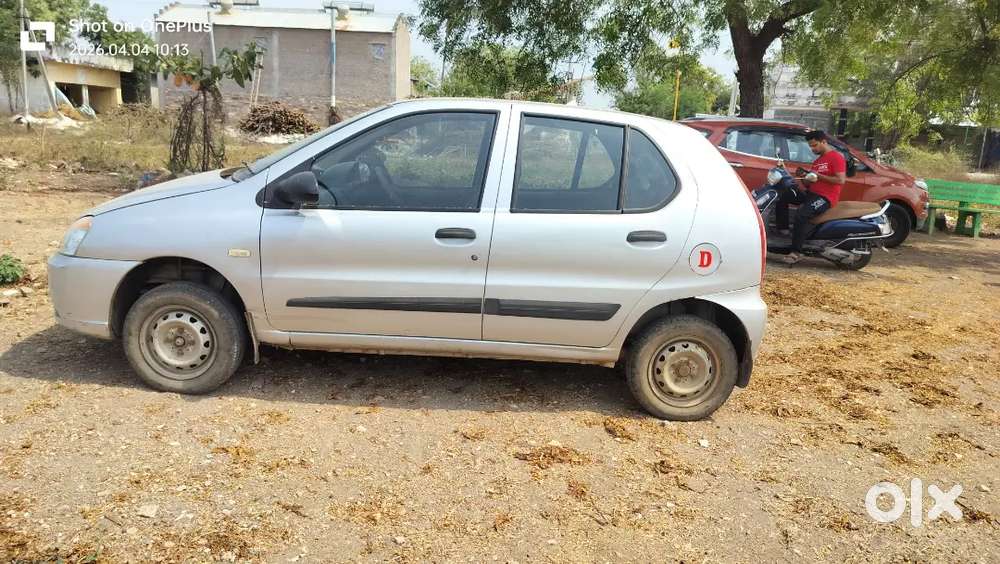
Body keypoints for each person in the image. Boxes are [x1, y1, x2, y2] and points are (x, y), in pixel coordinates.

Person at [775, 129, 846, 264]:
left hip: (825, 198)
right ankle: (782, 231)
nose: (812, 149)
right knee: (782, 196)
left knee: (802, 214)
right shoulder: (818, 161)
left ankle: (796, 251)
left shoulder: (836, 157)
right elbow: (809, 183)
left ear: (823, 142)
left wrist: (818, 176)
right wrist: (803, 177)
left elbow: (840, 180)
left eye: (814, 145)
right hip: (811, 194)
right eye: (810, 146)